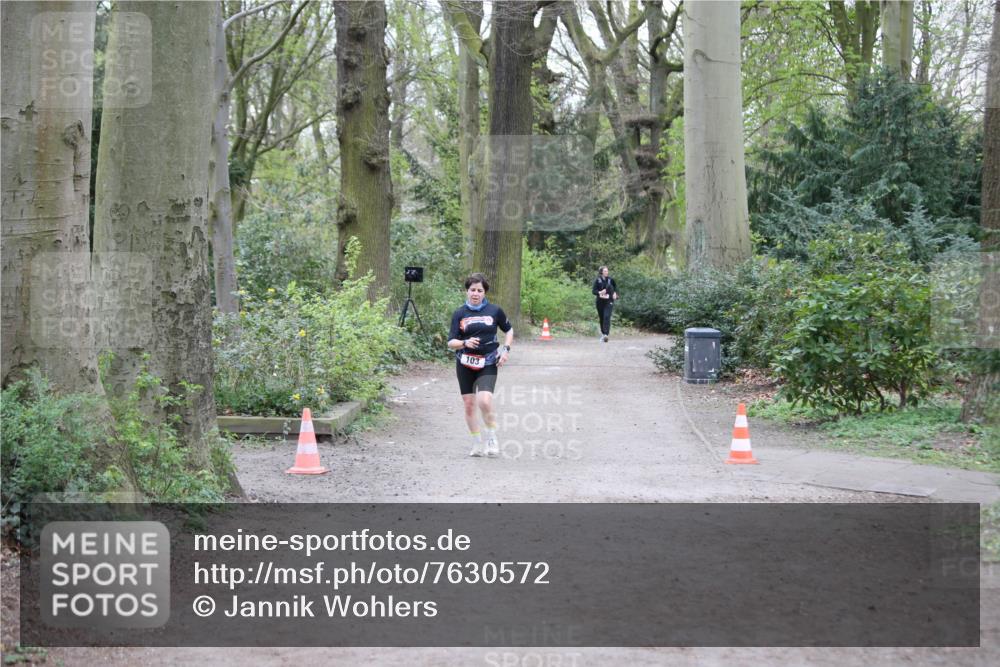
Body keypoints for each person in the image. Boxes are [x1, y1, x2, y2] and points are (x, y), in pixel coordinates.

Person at [447, 273, 513, 457]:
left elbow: (509, 330)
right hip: (465, 362)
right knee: (469, 404)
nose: (475, 293)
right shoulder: (459, 313)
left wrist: (506, 350)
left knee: (484, 401)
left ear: (485, 292)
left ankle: (491, 438)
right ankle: (476, 442)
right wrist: (464, 343)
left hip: (488, 361)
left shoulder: (495, 311)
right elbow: (450, 342)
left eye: (479, 290)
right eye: (472, 290)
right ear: (467, 291)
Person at [592, 265, 618, 342]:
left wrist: (615, 294)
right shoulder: (597, 280)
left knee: (607, 316)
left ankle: (606, 334)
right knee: (602, 318)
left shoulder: (611, 280)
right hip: (600, 302)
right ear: (601, 272)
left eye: (607, 271)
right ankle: (603, 334)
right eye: (605, 271)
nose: (607, 272)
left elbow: (616, 288)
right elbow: (593, 291)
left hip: (609, 301)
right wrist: (600, 292)